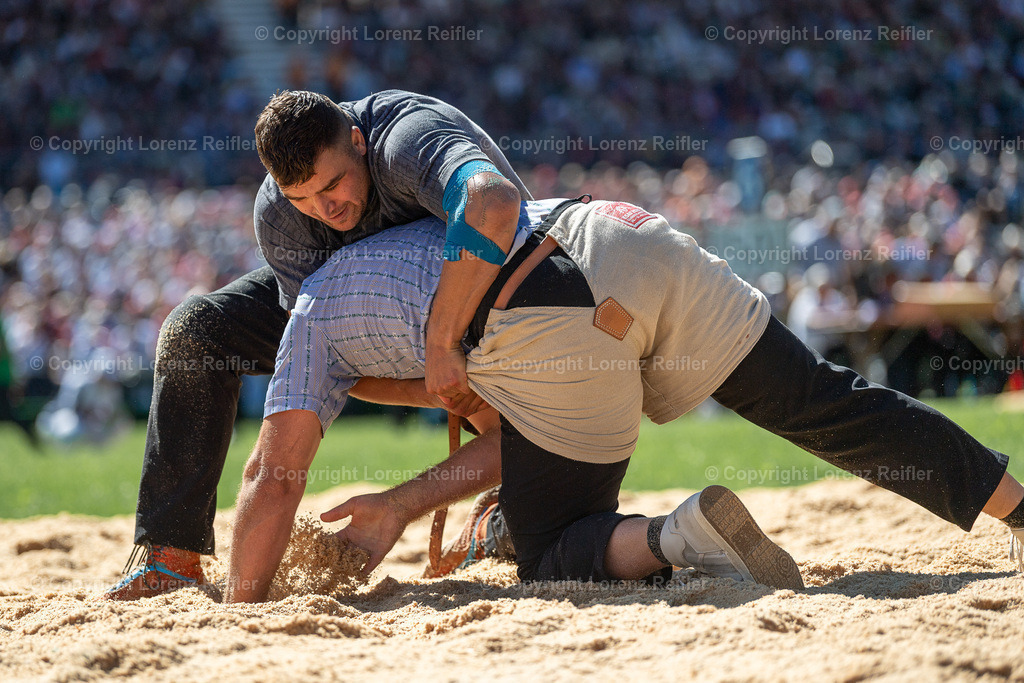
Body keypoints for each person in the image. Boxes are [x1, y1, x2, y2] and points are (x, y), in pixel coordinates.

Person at [221, 197, 1024, 602]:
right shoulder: (431, 220)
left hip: (559, 304)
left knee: (552, 546)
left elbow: (271, 476)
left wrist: (242, 607)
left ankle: (682, 533)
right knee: (828, 401)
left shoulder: (324, 300)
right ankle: (1019, 510)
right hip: (617, 230)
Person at [103, 89, 529, 600]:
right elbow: (316, 352)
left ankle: (506, 502)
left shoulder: (407, 140)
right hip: (370, 308)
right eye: (301, 197)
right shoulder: (279, 215)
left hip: (482, 285)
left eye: (333, 184)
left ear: (358, 141)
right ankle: (170, 558)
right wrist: (429, 392)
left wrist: (443, 348)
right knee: (197, 330)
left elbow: (491, 205)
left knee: (540, 505)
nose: (325, 210)